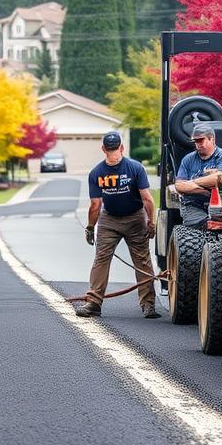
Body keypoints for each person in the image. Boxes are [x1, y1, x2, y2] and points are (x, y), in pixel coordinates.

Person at [77, 131, 160, 319]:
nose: (113, 153)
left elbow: (146, 198)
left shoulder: (133, 168)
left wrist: (150, 222)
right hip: (109, 220)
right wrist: (91, 227)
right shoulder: (98, 172)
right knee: (104, 259)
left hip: (134, 219)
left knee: (139, 260)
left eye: (114, 149)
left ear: (117, 148)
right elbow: (96, 205)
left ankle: (148, 305)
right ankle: (94, 303)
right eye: (111, 149)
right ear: (107, 149)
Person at [173, 122, 222, 229]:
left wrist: (192, 183)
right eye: (196, 141)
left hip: (221, 204)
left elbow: (220, 179)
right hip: (193, 204)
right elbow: (179, 186)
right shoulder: (188, 159)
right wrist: (205, 189)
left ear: (212, 139)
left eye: (201, 140)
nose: (198, 144)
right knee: (197, 225)